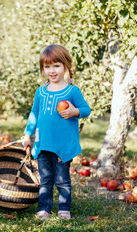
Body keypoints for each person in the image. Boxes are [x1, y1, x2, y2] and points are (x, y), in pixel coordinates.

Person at [22, 44, 91, 220]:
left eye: (56, 65)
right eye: (47, 66)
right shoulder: (40, 92)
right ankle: (44, 209)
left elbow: (86, 109)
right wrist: (28, 135)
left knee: (62, 180)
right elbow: (34, 114)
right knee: (45, 179)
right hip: (43, 143)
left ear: (66, 66)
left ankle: (64, 209)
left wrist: (75, 111)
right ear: (43, 69)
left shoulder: (72, 91)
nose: (52, 70)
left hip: (63, 145)